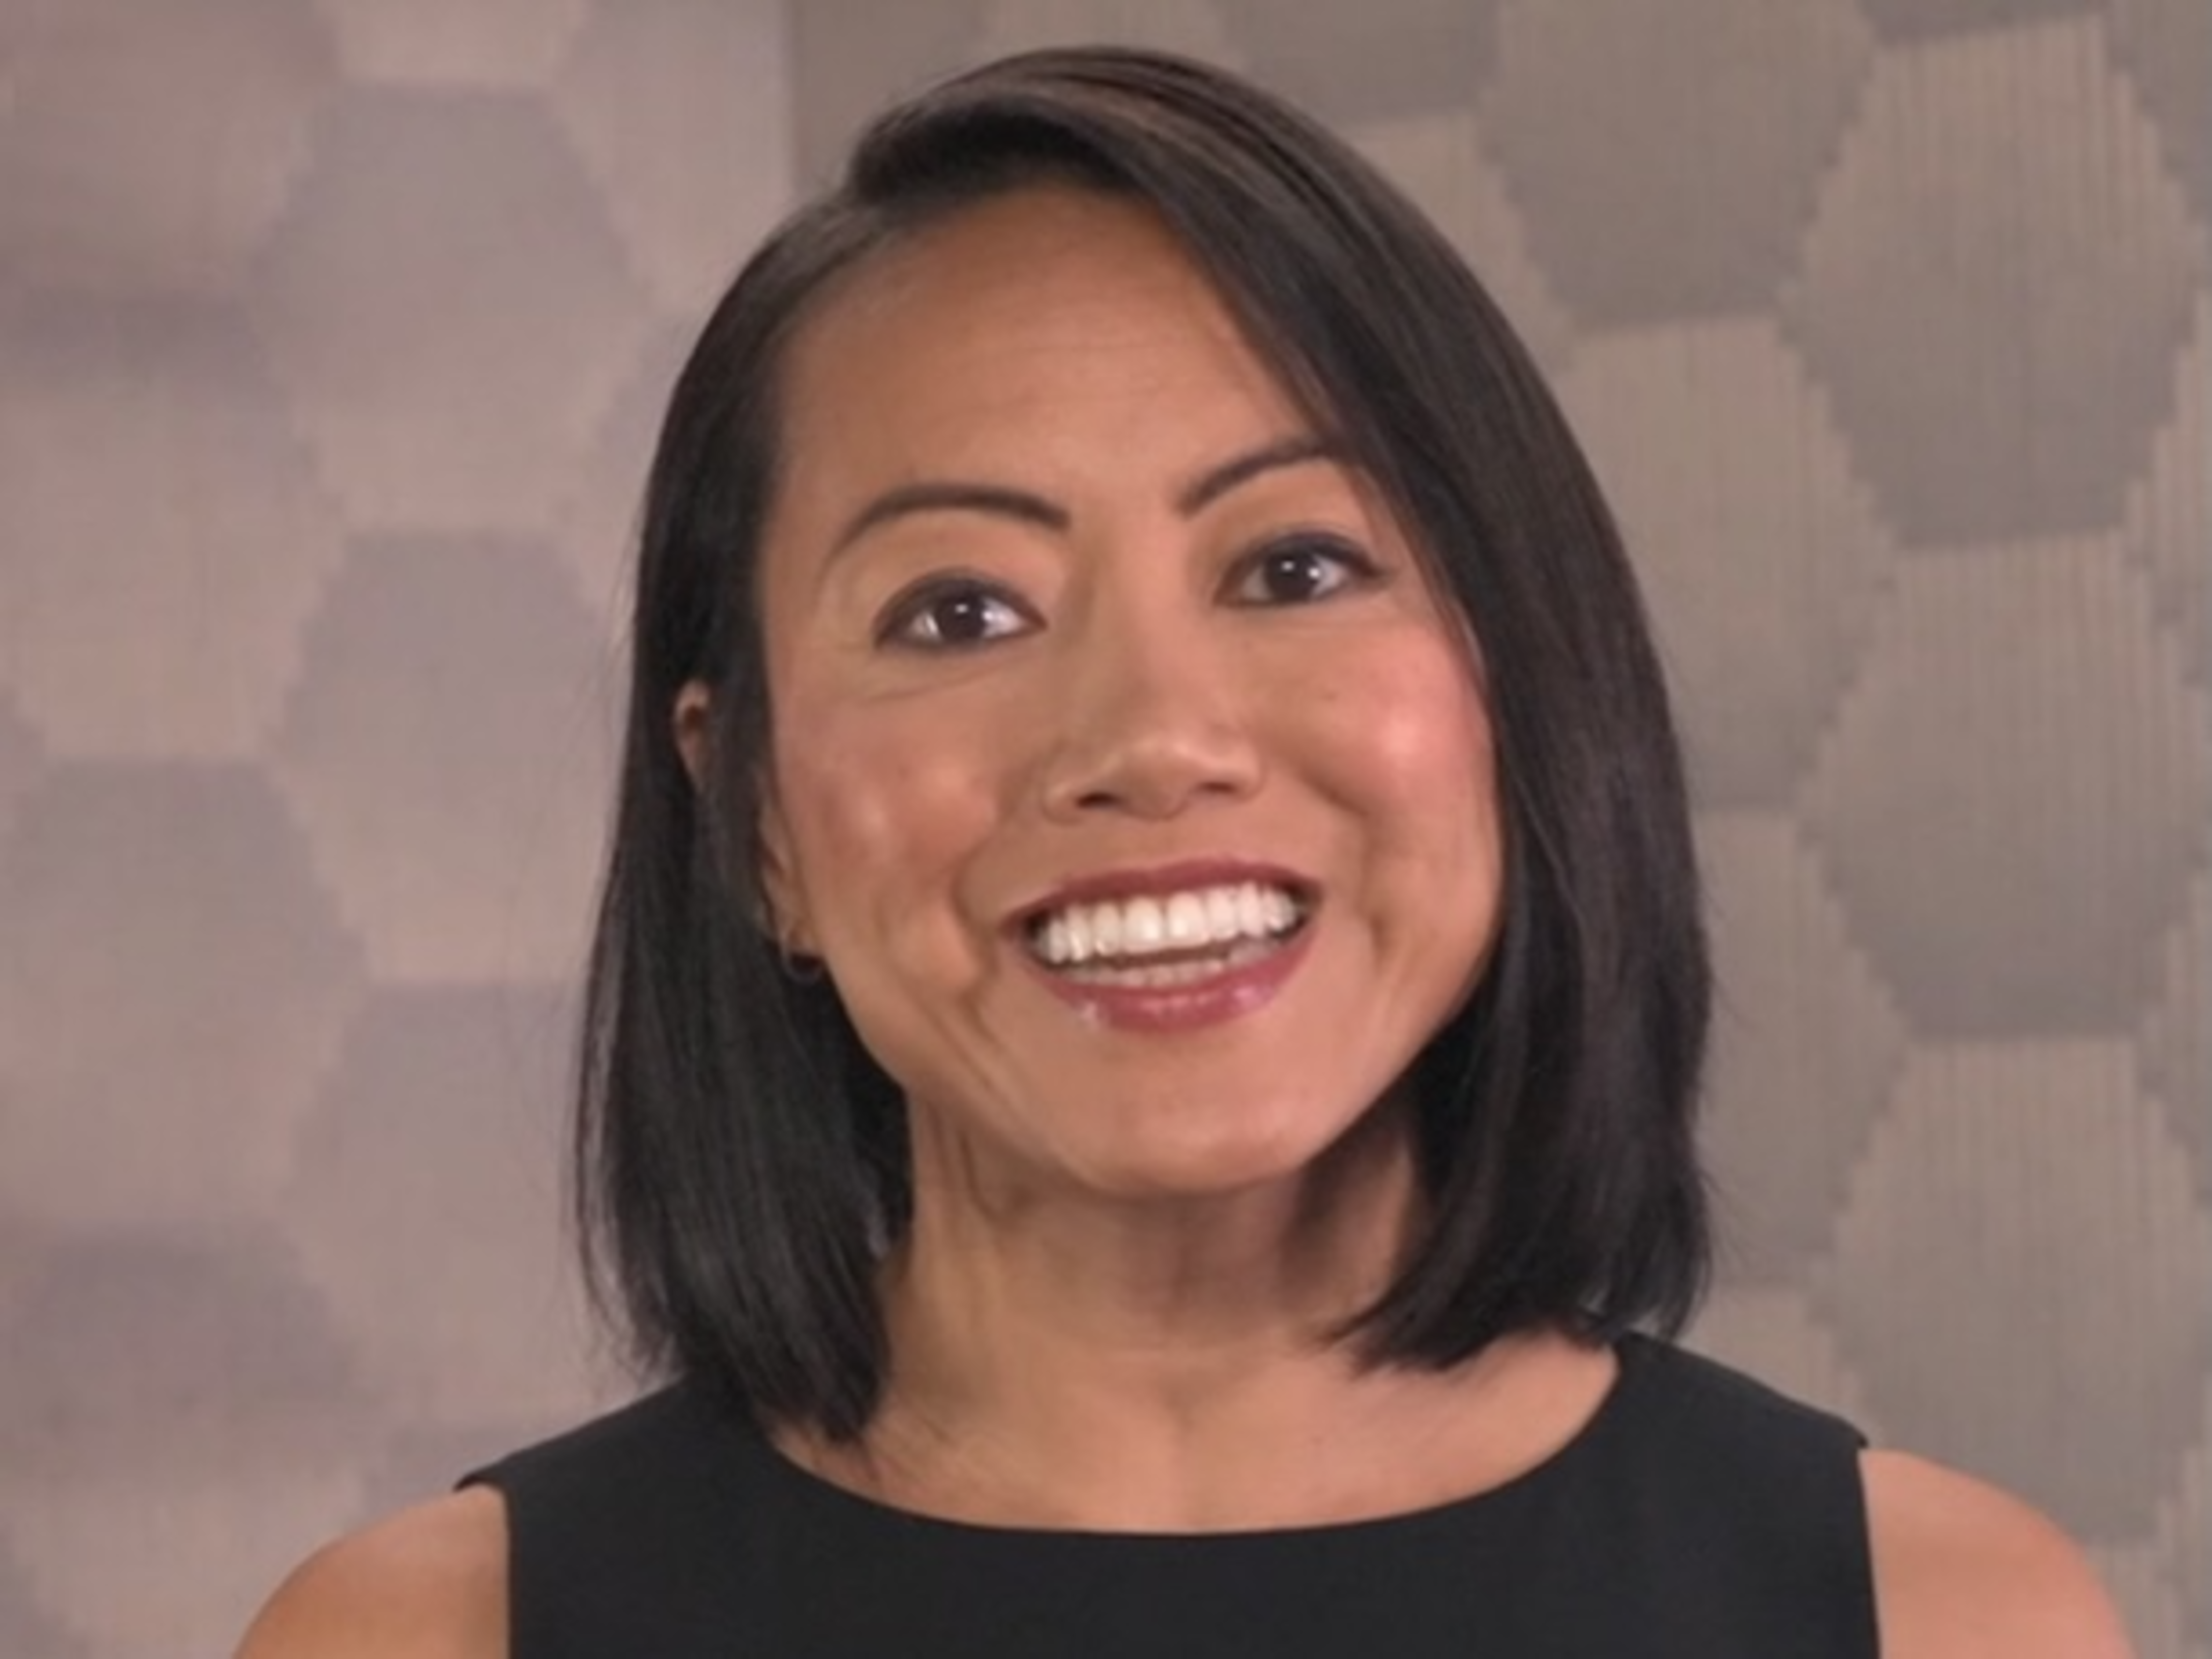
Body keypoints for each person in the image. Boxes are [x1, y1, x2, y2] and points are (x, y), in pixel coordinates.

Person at [238, 45, 2133, 1659]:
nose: (1149, 736)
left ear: (1522, 688)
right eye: (960, 610)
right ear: (751, 820)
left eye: (1293, 566)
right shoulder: (423, 1636)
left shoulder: (1943, 1617)